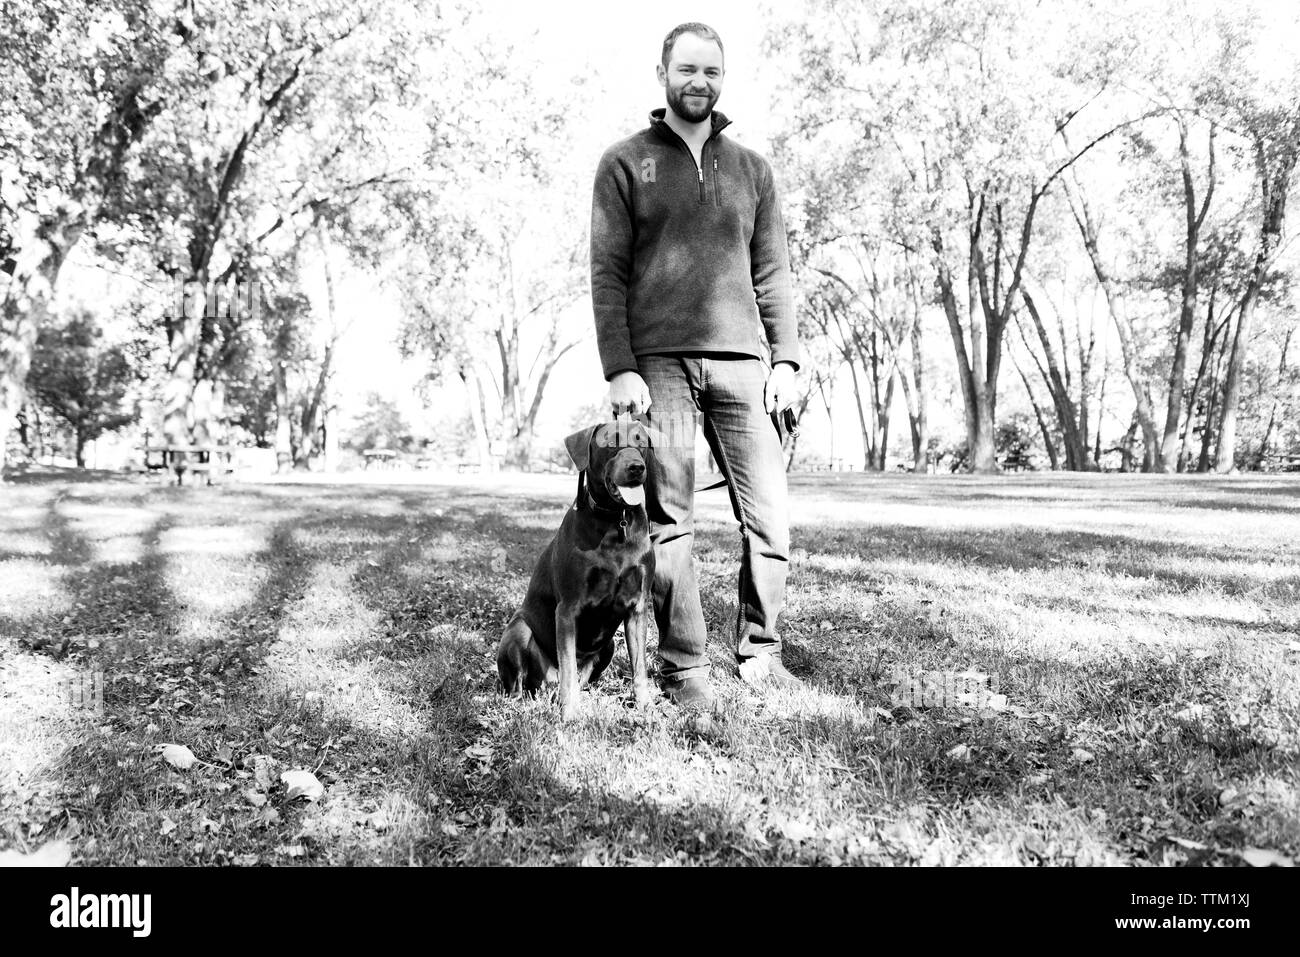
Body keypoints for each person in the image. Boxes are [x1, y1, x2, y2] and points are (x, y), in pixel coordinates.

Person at [589, 21, 803, 709]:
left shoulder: (753, 170)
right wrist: (621, 366)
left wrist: (788, 358)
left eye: (711, 71)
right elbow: (607, 272)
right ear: (662, 74)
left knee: (770, 516)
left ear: (723, 77)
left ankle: (761, 654)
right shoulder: (625, 163)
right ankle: (686, 671)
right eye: (687, 69)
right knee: (670, 518)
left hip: (745, 367)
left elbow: (773, 273)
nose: (699, 82)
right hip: (662, 369)